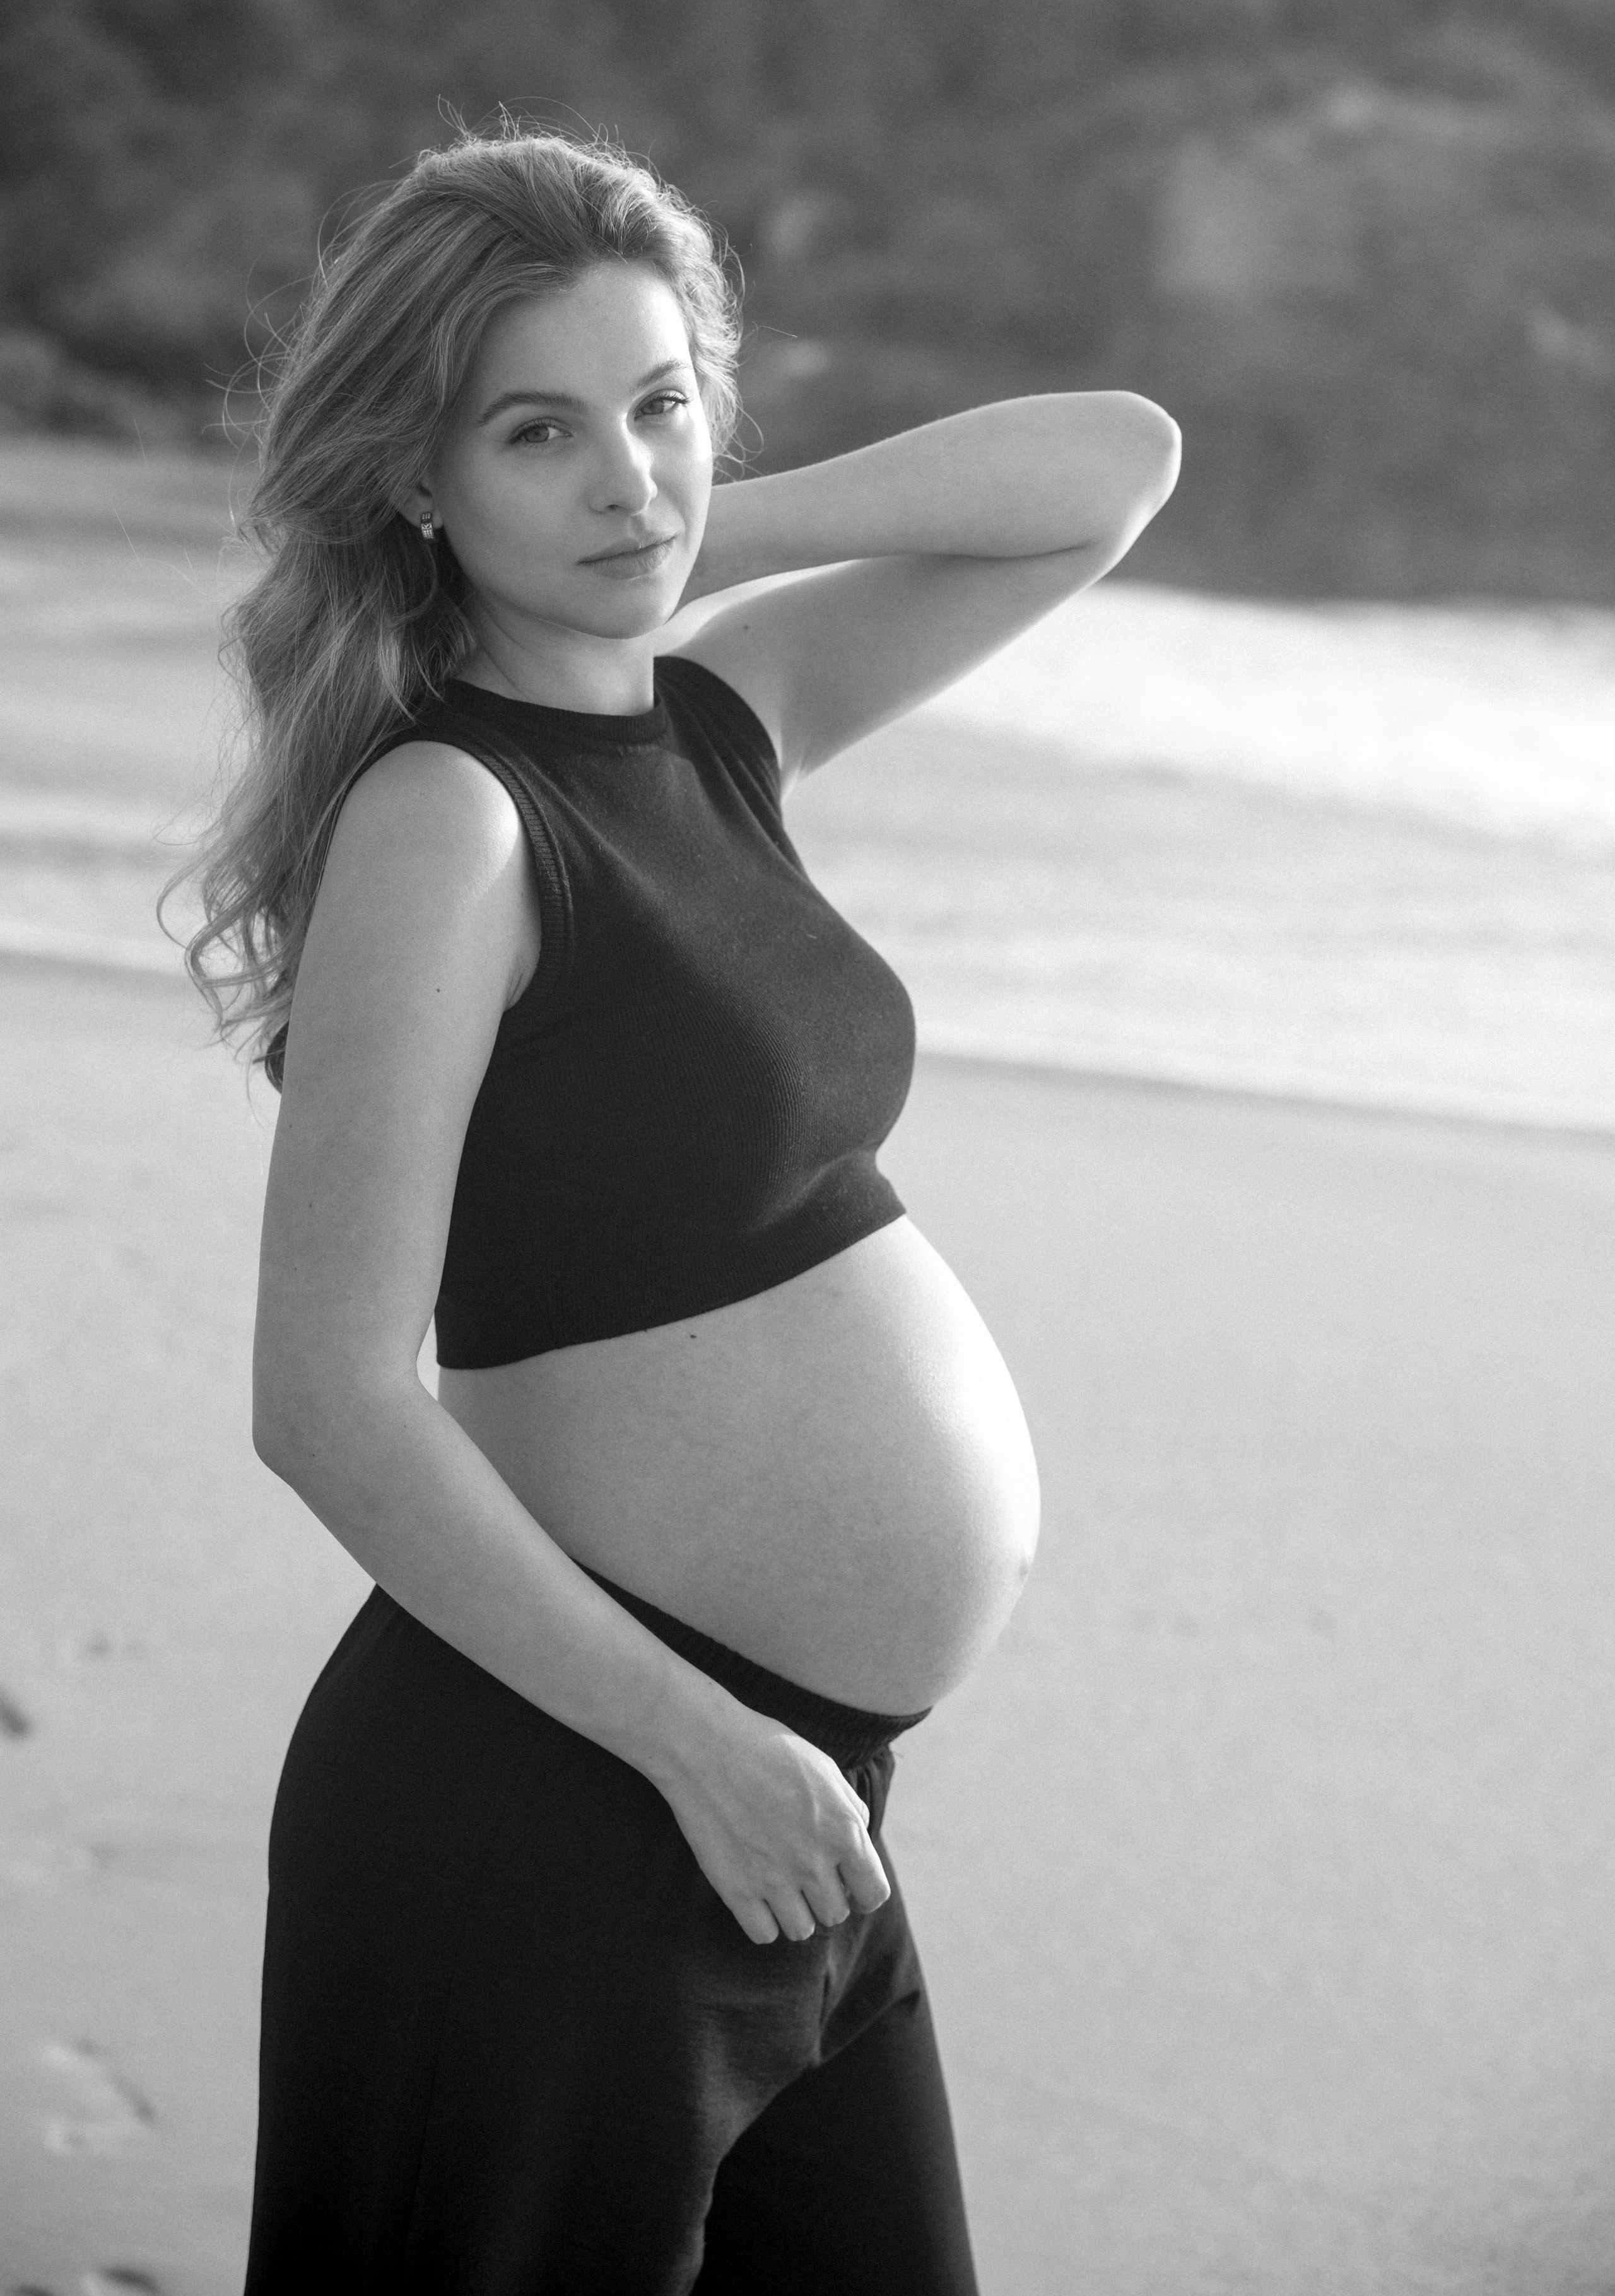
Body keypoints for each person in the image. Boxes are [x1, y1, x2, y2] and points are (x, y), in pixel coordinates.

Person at [177, 122, 1178, 2293]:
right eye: (538, 433)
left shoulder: (719, 724)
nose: (627, 477)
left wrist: (701, 518)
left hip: (786, 1815)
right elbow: (327, 1400)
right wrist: (700, 1747)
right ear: (417, 482)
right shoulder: (448, 816)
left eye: (660, 404)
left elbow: (1116, 464)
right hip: (572, 1795)